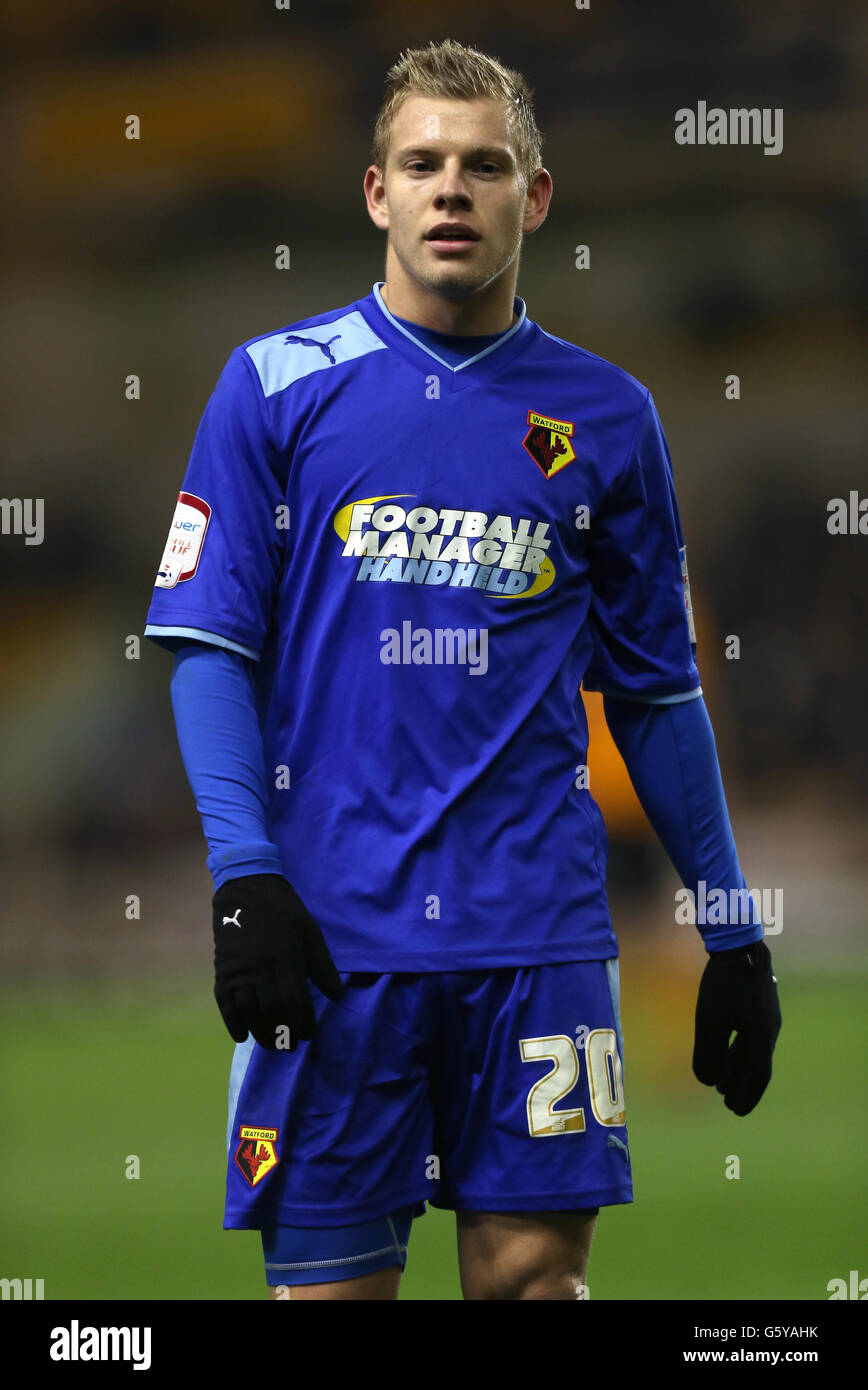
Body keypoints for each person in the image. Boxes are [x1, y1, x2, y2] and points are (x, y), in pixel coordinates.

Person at [144, 39, 781, 1301]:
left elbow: (654, 696)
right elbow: (207, 647)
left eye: (483, 166)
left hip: (536, 938)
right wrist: (245, 877)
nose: (452, 190)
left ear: (532, 197)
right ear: (374, 192)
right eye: (422, 164)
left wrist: (728, 926)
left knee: (538, 1290)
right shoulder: (273, 388)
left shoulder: (609, 418)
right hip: (332, 944)